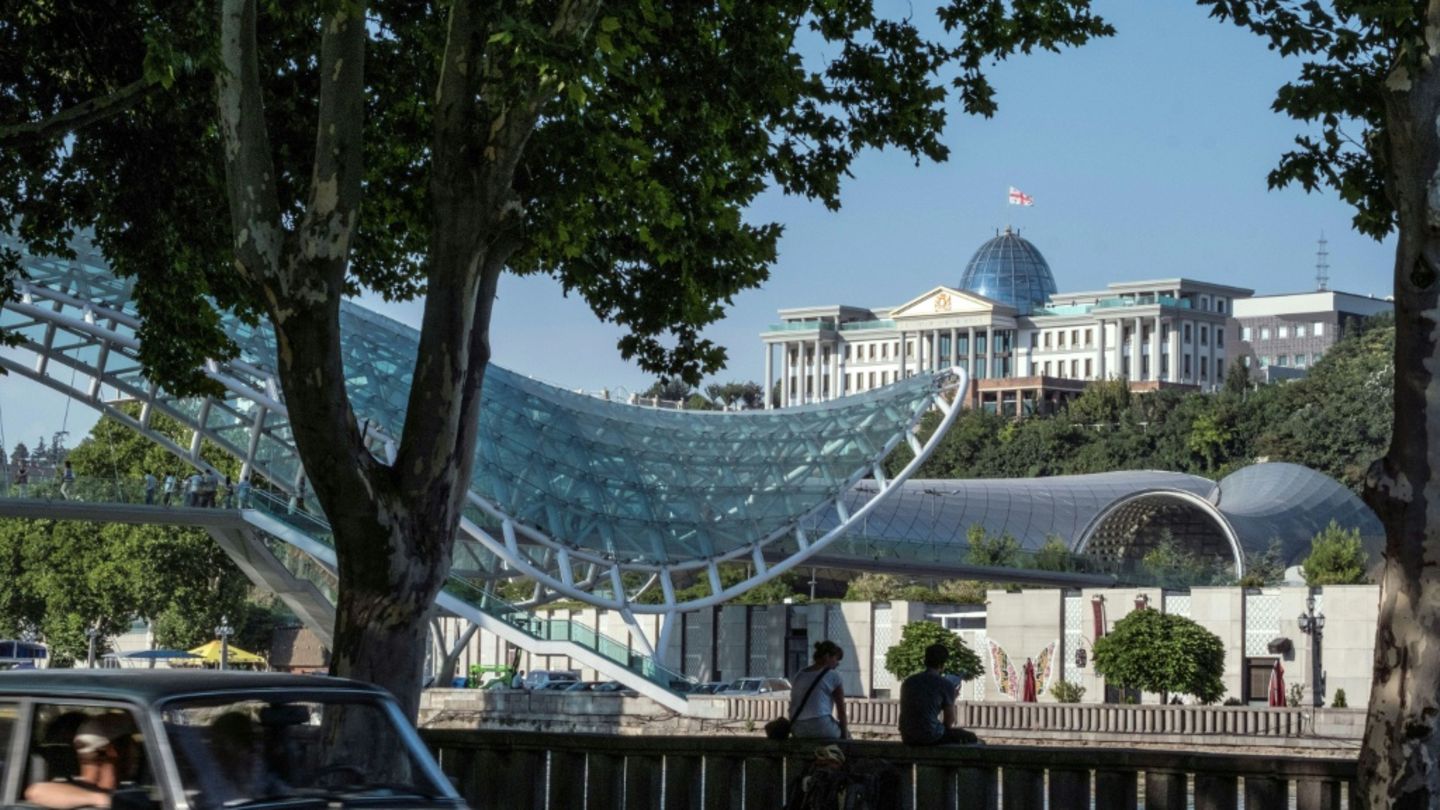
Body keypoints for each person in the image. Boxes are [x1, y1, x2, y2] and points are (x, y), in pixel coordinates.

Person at [25, 712, 141, 809]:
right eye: (130, 745)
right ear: (114, 750)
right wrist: (103, 799)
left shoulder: (131, 791)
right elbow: (35, 792)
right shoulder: (72, 790)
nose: (137, 753)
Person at [898, 643, 979, 746]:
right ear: (943, 664)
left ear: (925, 661)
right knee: (970, 737)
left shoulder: (908, 682)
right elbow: (949, 722)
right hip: (930, 736)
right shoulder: (945, 684)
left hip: (907, 736)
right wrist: (952, 698)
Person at [789, 640, 848, 740]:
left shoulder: (799, 675)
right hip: (821, 726)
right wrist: (845, 736)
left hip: (797, 727)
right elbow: (841, 712)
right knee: (845, 734)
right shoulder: (833, 675)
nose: (837, 663)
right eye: (836, 659)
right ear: (827, 656)